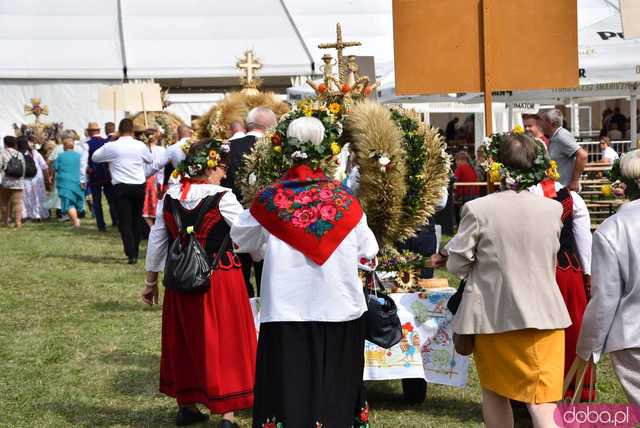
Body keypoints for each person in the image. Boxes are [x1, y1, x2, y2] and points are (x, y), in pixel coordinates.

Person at [231, 116, 378, 428]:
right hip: (340, 308)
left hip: (286, 310)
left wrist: (267, 243)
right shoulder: (345, 200)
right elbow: (369, 253)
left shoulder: (270, 199)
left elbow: (240, 238)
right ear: (326, 152)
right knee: (335, 393)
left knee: (288, 396)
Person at [432, 133, 571, 428]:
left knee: (495, 394)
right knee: (543, 405)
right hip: (545, 318)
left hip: (494, 318)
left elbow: (457, 263)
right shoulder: (553, 209)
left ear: (496, 165)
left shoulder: (479, 209)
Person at [143, 138, 256, 428]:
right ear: (211, 167)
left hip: (180, 279)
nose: (223, 174)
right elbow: (245, 234)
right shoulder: (223, 196)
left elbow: (157, 238)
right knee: (224, 341)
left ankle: (187, 405)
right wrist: (263, 254)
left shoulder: (170, 195)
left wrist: (151, 280)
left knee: (187, 339)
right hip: (219, 279)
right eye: (221, 168)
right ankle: (227, 415)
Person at [576, 149, 640, 407]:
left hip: (633, 337)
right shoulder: (613, 228)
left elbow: (605, 297)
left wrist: (588, 346)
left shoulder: (613, 228)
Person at [528, 156, 594, 401]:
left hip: (534, 270)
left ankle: (533, 389)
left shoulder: (523, 196)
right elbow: (584, 241)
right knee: (571, 329)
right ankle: (571, 389)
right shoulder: (572, 198)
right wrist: (588, 274)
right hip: (567, 272)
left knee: (535, 332)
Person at [224, 107, 277, 298]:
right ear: (272, 125)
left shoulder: (229, 147)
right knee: (269, 272)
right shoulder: (278, 147)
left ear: (249, 124)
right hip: (272, 219)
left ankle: (245, 312)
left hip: (235, 218)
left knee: (241, 271)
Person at [93, 118, 153, 264]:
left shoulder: (112, 146)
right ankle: (136, 250)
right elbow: (150, 160)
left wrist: (110, 143)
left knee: (124, 221)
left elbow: (95, 157)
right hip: (138, 185)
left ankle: (130, 252)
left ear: (119, 130)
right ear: (132, 130)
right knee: (137, 219)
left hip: (121, 186)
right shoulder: (139, 145)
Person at [539, 109, 588, 191]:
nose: (541, 125)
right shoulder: (556, 136)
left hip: (565, 189)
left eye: (543, 121)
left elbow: (583, 155)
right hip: (559, 188)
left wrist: (575, 181)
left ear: (551, 123)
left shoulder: (561, 136)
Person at [86, 122, 118, 231]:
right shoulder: (107, 142)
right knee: (112, 200)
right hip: (106, 174)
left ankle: (101, 225)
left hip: (94, 175)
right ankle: (115, 221)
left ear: (90, 132)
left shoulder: (87, 144)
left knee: (97, 202)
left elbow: (84, 161)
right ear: (99, 131)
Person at [52, 136, 85, 228]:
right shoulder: (80, 156)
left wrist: (51, 177)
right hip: (78, 182)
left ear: (64, 146)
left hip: (65, 182)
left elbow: (54, 168)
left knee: (68, 203)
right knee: (75, 202)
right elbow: (84, 168)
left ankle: (76, 222)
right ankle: (75, 220)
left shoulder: (61, 156)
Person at [19, 137, 50, 221]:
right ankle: (41, 214)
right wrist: (47, 179)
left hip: (25, 178)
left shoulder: (18, 154)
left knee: (26, 197)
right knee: (39, 196)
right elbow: (44, 167)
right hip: (38, 178)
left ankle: (27, 215)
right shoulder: (35, 153)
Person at [142, 128, 167, 227]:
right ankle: (155, 228)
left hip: (148, 179)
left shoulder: (143, 149)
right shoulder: (162, 150)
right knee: (157, 207)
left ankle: (152, 228)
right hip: (158, 180)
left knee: (149, 207)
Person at [0, 136, 26, 227]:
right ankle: (18, 222)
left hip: (6, 181)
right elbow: (23, 168)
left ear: (5, 143)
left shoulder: (2, 153)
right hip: (18, 182)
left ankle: (5, 221)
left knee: (4, 202)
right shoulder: (19, 154)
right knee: (18, 202)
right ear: (14, 144)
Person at [452, 151, 479, 225]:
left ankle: (457, 225)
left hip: (464, 196)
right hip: (475, 195)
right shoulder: (472, 168)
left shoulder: (461, 167)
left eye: (457, 160)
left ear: (463, 160)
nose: (456, 163)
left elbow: (453, 180)